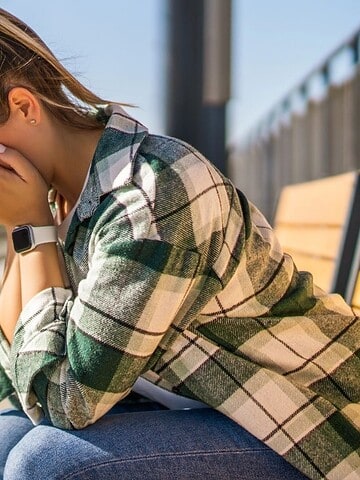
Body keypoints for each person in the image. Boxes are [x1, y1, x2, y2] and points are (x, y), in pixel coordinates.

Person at [0, 7, 358, 480]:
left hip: (300, 421)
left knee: (44, 465)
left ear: (24, 107)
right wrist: (22, 227)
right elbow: (16, 365)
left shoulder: (150, 197)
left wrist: (33, 229)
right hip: (209, 398)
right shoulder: (64, 193)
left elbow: (68, 400)